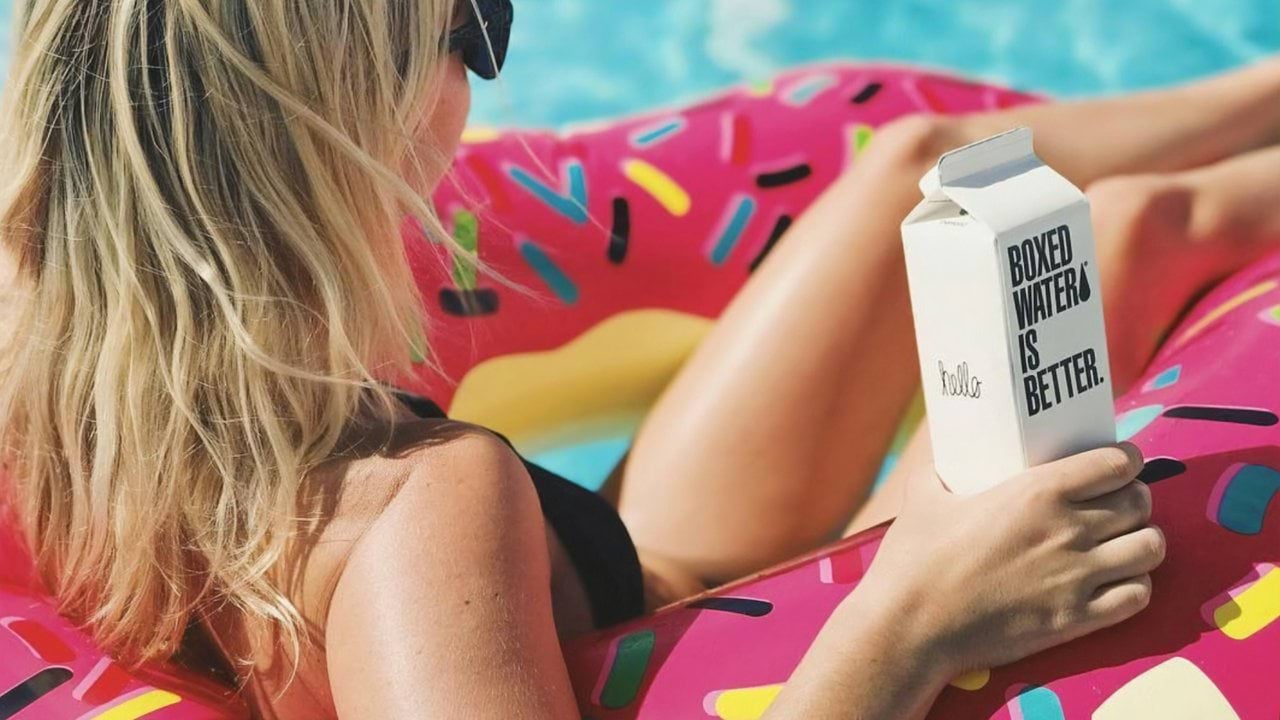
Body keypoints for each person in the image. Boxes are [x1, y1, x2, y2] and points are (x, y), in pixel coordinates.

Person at [2, 0, 1277, 717]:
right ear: (340, 112)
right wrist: (908, 621)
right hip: (691, 602)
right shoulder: (409, 512)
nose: (479, 80)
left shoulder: (40, 325)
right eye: (472, 25)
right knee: (1134, 232)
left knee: (914, 164)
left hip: (598, 543)